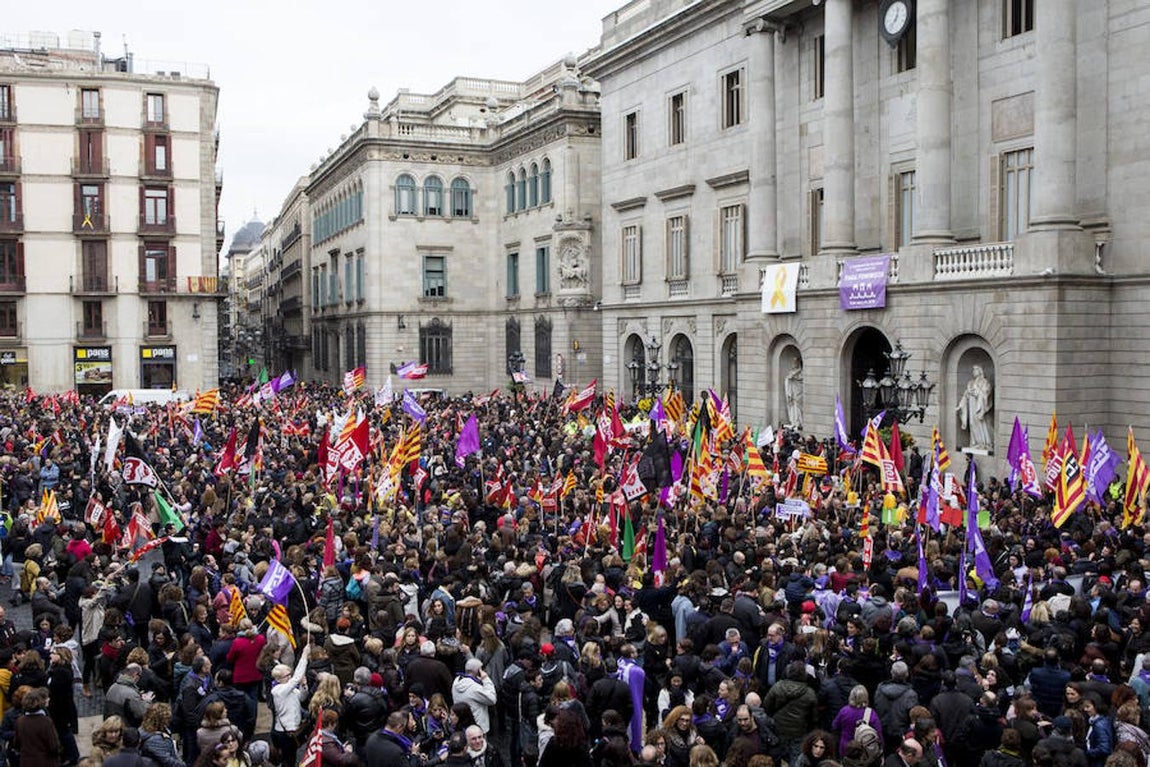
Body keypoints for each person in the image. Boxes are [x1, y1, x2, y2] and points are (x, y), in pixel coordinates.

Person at [13, 687, 58, 767]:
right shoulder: (46, 721)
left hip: (26, 761)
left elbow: (17, 743)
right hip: (45, 761)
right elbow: (53, 745)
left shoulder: (20, 721)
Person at [956, 365, 993, 449]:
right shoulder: (970, 382)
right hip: (972, 404)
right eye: (973, 371)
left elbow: (986, 393)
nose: (974, 372)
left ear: (980, 371)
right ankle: (975, 442)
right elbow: (965, 395)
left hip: (979, 405)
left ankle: (983, 443)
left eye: (975, 370)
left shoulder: (984, 382)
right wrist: (960, 405)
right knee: (972, 423)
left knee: (979, 422)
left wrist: (978, 392)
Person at [785, 361, 804, 428]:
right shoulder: (792, 372)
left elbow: (801, 379)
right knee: (793, 408)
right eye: (793, 363)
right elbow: (789, 378)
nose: (794, 364)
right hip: (793, 392)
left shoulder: (801, 372)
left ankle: (799, 422)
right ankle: (794, 422)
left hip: (799, 392)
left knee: (798, 408)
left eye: (795, 363)